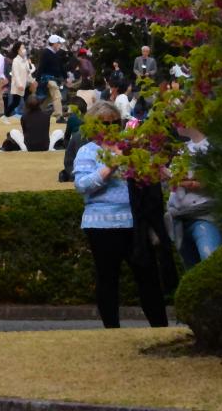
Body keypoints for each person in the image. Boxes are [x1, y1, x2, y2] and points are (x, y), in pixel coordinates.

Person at [74, 102, 170, 328]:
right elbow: (82, 185)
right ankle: (111, 328)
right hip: (101, 224)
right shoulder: (87, 151)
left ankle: (159, 326)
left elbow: (153, 182)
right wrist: (111, 165)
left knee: (148, 275)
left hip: (135, 221)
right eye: (103, 123)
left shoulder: (133, 149)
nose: (109, 128)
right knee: (108, 278)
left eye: (114, 123)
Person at [167, 129, 222, 263]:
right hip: (181, 218)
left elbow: (215, 181)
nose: (174, 122)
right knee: (191, 267)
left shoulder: (212, 147)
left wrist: (184, 180)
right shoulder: (183, 149)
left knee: (210, 263)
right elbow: (173, 184)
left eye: (176, 116)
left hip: (204, 216)